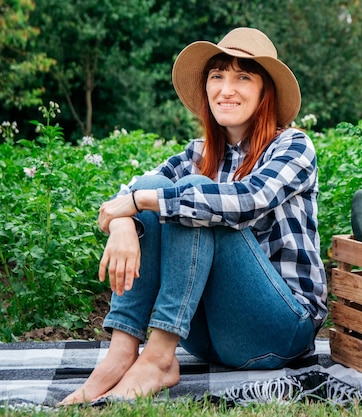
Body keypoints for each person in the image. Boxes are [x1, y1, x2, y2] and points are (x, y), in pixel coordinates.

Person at [59, 27, 328, 405]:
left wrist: (141, 202)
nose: (226, 89)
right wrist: (124, 222)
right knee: (161, 188)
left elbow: (248, 199)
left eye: (242, 77)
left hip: (280, 329)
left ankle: (156, 359)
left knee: (192, 195)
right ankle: (123, 352)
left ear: (265, 90)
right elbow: (128, 194)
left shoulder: (293, 145)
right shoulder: (199, 152)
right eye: (217, 76)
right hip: (210, 338)